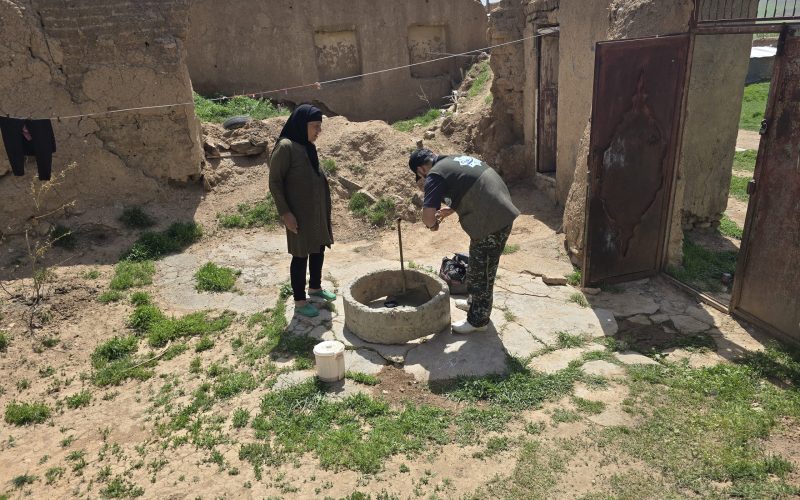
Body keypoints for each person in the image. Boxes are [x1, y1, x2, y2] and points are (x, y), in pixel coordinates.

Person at [408, 148, 520, 334]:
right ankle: (474, 304)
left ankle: (478, 321)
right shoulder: (452, 160)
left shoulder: (434, 175)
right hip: (498, 209)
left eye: (420, 177)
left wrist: (433, 224)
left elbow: (428, 218)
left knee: (481, 273)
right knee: (477, 265)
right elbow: (470, 184)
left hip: (492, 220)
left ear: (421, 171)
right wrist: (450, 210)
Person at [269, 104, 336, 318]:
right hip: (297, 214)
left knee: (318, 249)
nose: (319, 131)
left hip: (315, 211)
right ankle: (299, 301)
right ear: (302, 124)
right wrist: (285, 213)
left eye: (320, 126)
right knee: (300, 256)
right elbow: (275, 183)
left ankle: (314, 288)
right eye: (315, 126)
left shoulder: (308, 146)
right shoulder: (286, 147)